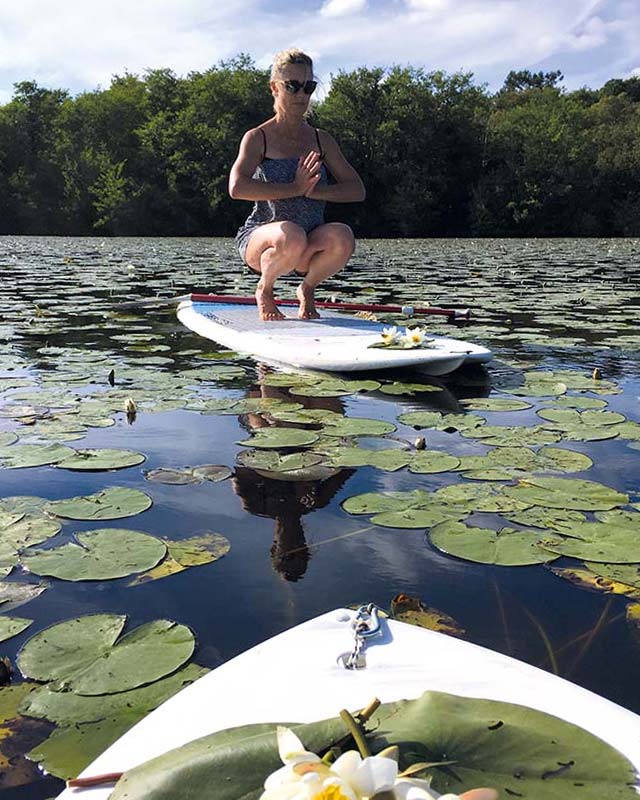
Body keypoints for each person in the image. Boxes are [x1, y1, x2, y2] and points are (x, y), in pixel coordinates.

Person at [229, 47, 365, 321]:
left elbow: (356, 190)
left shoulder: (321, 140)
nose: (302, 95)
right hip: (265, 241)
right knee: (290, 234)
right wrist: (294, 188)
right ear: (274, 88)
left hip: (307, 245)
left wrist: (316, 191)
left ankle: (307, 288)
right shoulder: (258, 138)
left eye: (308, 87)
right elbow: (237, 187)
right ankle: (265, 290)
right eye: (292, 86)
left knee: (342, 236)